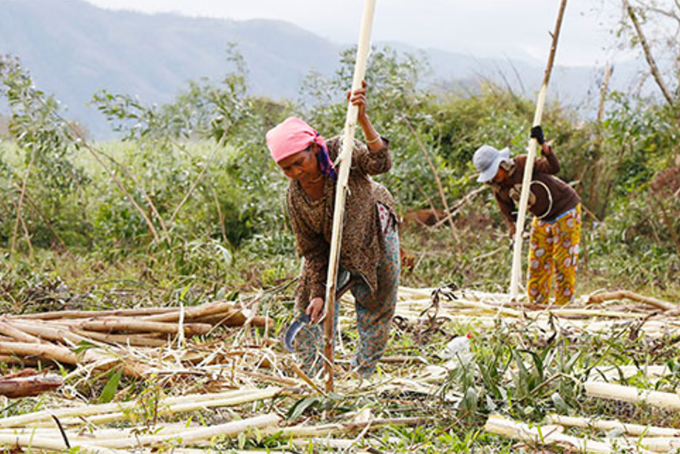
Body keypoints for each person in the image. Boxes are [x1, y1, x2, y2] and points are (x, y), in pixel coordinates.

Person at [265, 82, 399, 378]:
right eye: (287, 169)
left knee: (377, 301)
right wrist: (318, 293)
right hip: (329, 244)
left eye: (299, 162)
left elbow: (380, 163)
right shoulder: (295, 197)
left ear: (314, 148)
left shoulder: (341, 150)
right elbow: (312, 251)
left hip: (373, 227)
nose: (296, 172)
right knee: (310, 302)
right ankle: (314, 372)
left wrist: (363, 118)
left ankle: (363, 375)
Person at [473, 126, 582, 305]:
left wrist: (544, 146)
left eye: (494, 173)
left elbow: (554, 167)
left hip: (565, 210)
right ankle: (537, 305)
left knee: (563, 263)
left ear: (501, 164)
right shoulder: (499, 190)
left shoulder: (523, 163)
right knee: (537, 263)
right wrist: (515, 233)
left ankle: (563, 307)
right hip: (542, 217)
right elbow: (510, 217)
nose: (494, 178)